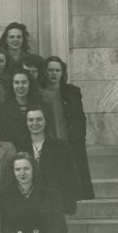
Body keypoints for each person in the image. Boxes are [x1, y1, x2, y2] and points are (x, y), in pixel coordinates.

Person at [40, 55, 95, 202]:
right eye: (50, 70)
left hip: (70, 140)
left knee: (72, 173)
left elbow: (80, 117)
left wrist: (79, 136)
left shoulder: (72, 93)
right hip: (48, 140)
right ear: (45, 72)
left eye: (57, 70)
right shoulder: (39, 93)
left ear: (62, 73)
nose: (53, 73)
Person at [24, 107, 81, 215]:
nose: (35, 123)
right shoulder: (19, 147)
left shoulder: (61, 146)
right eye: (31, 120)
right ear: (26, 123)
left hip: (54, 206)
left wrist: (68, 203)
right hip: (28, 206)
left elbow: (71, 177)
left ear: (46, 122)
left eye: (39, 119)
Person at [0, 69, 52, 148]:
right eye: (17, 82)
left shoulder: (43, 106)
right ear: (12, 85)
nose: (20, 86)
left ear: (30, 84)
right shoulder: (1, 109)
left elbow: (49, 132)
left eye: (24, 82)